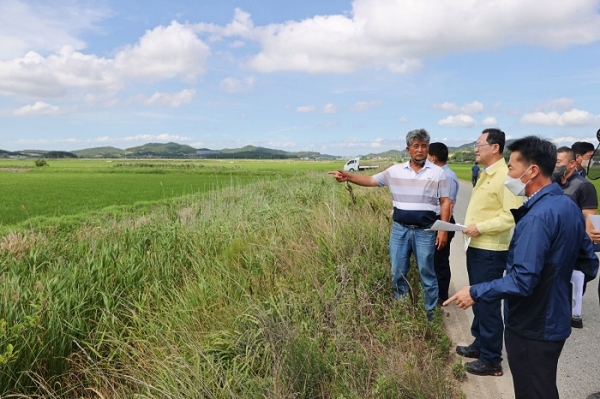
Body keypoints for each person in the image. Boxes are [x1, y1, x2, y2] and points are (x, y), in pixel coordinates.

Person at [444, 136, 599, 399]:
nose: (509, 175)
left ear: (532, 171)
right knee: (543, 386)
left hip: (532, 325)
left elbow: (522, 280)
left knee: (532, 390)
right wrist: (558, 279)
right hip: (554, 320)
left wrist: (475, 292)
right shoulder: (566, 206)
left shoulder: (537, 217)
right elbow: (589, 263)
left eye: (513, 169)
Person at [329, 129, 451, 319]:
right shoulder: (395, 171)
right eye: (416, 146)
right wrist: (348, 176)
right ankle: (402, 312)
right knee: (398, 272)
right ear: (408, 149)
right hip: (400, 231)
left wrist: (442, 230)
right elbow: (371, 180)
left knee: (427, 274)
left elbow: (445, 201)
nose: (420, 150)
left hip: (425, 232)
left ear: (428, 148)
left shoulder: (437, 173)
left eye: (424, 146)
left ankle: (431, 316)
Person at [457, 128, 523, 377]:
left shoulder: (505, 176)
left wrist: (479, 228)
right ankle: (480, 343)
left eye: (479, 144)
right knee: (478, 298)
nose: (475, 148)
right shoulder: (486, 174)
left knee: (488, 304)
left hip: (491, 250)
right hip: (477, 247)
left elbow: (511, 216)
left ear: (495, 147)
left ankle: (492, 359)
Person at [553, 146, 598, 328]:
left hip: (573, 247)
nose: (554, 166)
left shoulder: (584, 186)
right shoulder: (553, 184)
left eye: (558, 162)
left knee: (573, 284)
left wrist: (579, 250)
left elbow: (590, 221)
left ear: (572, 163)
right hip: (555, 244)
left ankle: (571, 314)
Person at [428, 142, 459, 302]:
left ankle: (441, 297)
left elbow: (449, 204)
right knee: (434, 260)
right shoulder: (439, 174)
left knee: (440, 261)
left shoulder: (447, 176)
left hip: (444, 222)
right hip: (438, 222)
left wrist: (443, 229)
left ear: (432, 158)